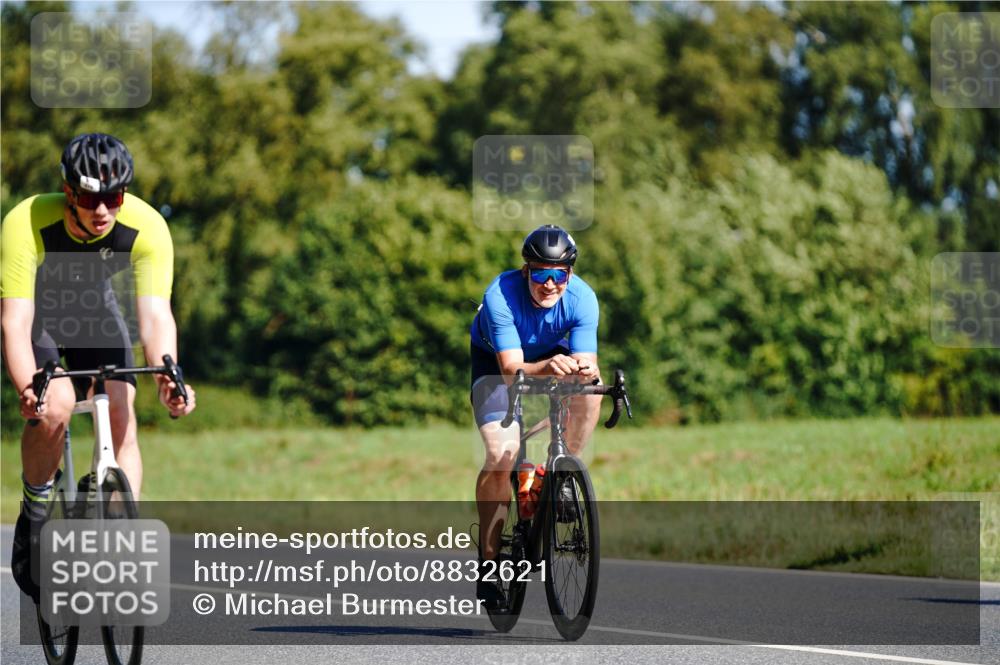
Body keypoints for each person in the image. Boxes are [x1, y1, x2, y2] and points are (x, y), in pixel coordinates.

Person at [2, 132, 196, 603]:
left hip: (94, 314)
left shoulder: (147, 226)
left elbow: (154, 316)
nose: (102, 209)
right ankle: (36, 507)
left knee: (121, 412)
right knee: (56, 407)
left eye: (112, 196)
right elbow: (14, 320)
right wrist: (31, 389)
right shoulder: (26, 221)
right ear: (69, 192)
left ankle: (116, 542)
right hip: (38, 317)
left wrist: (169, 373)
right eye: (90, 197)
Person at [469, 224, 602, 605]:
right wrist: (549, 367)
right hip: (496, 363)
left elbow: (586, 364)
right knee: (501, 454)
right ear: (526, 270)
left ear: (569, 275)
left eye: (558, 275)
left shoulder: (583, 299)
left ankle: (557, 477)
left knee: (590, 395)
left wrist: (587, 374)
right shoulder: (500, 296)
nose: (549, 284)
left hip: (551, 354)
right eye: (540, 273)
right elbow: (511, 371)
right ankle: (490, 564)